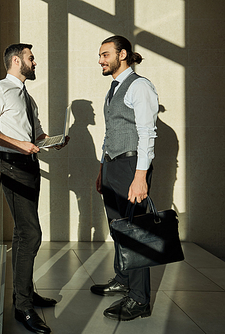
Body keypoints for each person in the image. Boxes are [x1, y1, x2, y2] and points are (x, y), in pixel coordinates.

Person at [0, 43, 68, 334]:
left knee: (22, 233)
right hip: (12, 166)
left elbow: (35, 134)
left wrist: (51, 141)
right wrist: (19, 145)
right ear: (16, 61)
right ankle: (23, 307)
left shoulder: (27, 98)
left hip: (29, 166)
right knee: (31, 233)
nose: (35, 62)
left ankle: (24, 293)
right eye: (31, 58)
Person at [91, 35, 159, 321]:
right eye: (100, 55)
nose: (100, 60)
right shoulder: (114, 87)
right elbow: (111, 131)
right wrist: (102, 168)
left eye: (105, 54)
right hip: (112, 166)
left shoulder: (140, 86)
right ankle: (123, 279)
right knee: (118, 228)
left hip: (132, 166)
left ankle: (139, 300)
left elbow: (147, 134)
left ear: (123, 55)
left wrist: (140, 176)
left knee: (135, 232)